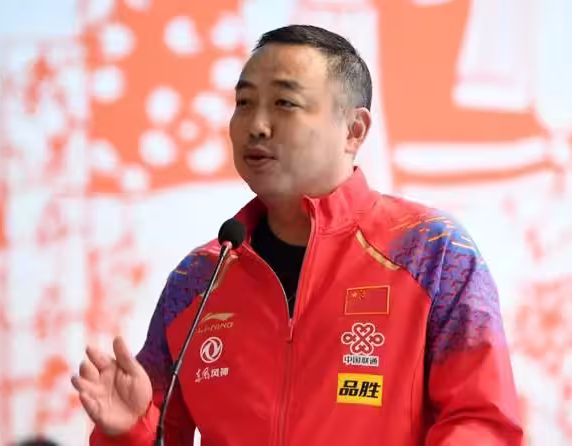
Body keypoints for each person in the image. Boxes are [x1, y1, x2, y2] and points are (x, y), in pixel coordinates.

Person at [71, 24, 523, 445]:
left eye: (284, 103)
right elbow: (161, 432)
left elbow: (481, 423)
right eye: (244, 103)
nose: (256, 125)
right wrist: (129, 431)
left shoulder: (430, 251)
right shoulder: (198, 279)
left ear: (354, 130)